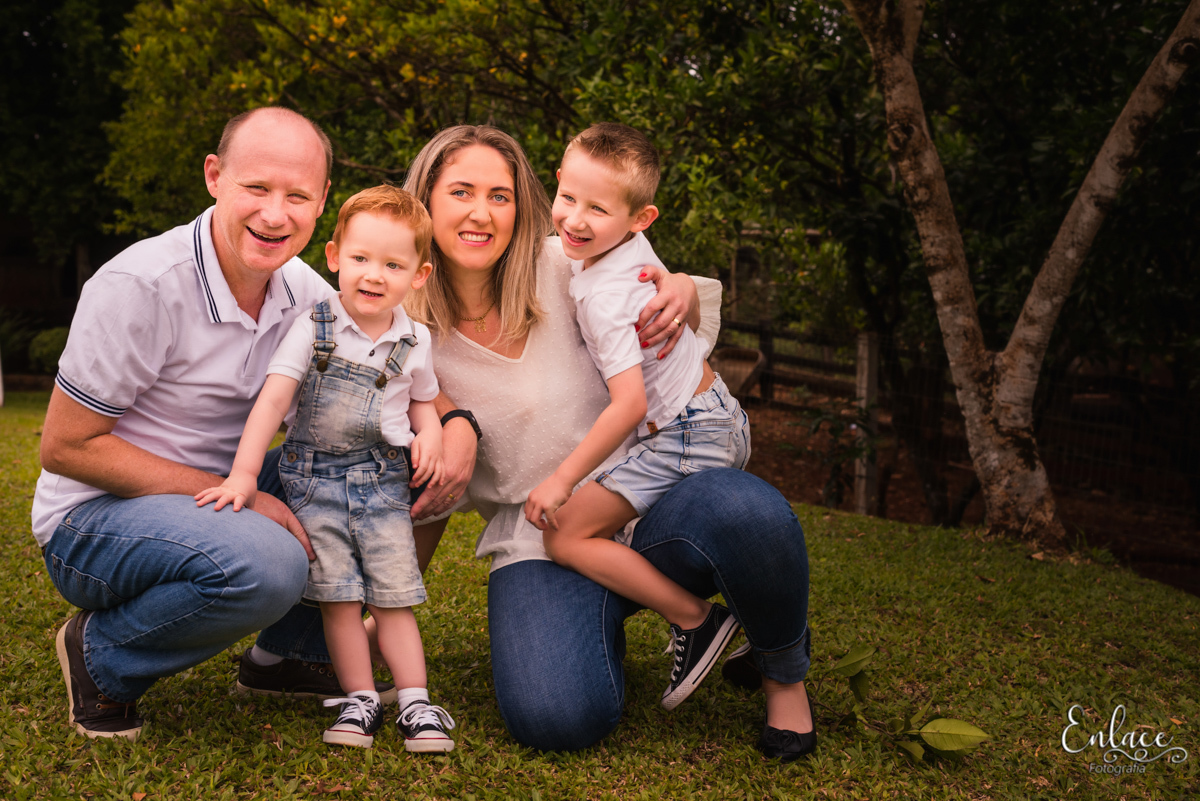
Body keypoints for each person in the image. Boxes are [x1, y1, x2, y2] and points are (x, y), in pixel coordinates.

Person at [401, 124, 817, 761]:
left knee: (748, 510)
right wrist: (390, 609)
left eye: (501, 194)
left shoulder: (565, 260)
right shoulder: (403, 329)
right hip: (540, 535)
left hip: (653, 503)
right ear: (424, 199)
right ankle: (615, 623)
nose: (481, 213)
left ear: (523, 204)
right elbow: (432, 486)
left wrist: (678, 287)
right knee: (556, 716)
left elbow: (671, 296)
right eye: (461, 192)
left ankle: (783, 677)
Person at [31, 107, 394, 741]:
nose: (275, 214)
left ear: (323, 200)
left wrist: (453, 422)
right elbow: (65, 447)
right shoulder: (140, 284)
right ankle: (101, 655)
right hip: (92, 521)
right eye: (256, 188)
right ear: (214, 177)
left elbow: (398, 343)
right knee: (269, 563)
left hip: (218, 497)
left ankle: (288, 656)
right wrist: (248, 498)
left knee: (392, 471)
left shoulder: (306, 294)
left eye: (297, 195)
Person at [195, 186, 456, 751]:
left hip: (384, 484)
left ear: (420, 274)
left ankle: (415, 700)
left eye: (393, 264)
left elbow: (424, 402)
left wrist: (432, 434)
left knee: (393, 596)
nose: (373, 275)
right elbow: (271, 402)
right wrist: (243, 474)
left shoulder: (415, 339)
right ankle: (359, 698)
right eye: (360, 258)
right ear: (335, 257)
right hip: (313, 482)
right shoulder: (313, 326)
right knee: (338, 597)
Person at [523, 123, 751, 711]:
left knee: (565, 533)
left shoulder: (602, 293)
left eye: (597, 208)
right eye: (568, 198)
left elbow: (630, 404)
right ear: (557, 183)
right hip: (717, 410)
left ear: (640, 218)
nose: (574, 220)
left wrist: (560, 479)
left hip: (688, 433)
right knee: (607, 524)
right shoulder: (627, 252)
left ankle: (696, 620)